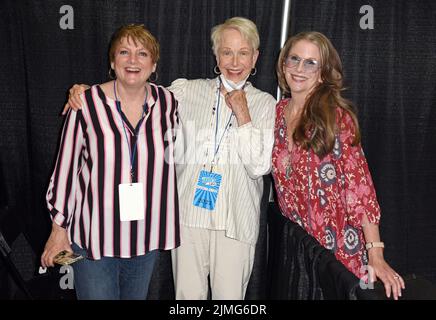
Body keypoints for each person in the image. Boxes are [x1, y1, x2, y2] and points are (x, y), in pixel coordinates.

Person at [64, 17, 276, 300]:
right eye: (227, 51)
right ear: (216, 55)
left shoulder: (265, 104)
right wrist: (85, 93)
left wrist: (243, 114)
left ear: (255, 57)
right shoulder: (186, 92)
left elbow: (259, 166)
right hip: (188, 217)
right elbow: (134, 90)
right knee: (187, 299)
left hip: (235, 222)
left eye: (243, 52)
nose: (234, 61)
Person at [41, 24, 180, 300]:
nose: (132, 60)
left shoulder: (168, 103)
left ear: (153, 65)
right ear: (112, 60)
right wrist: (58, 229)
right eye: (124, 52)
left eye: (142, 54)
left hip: (144, 236)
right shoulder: (86, 103)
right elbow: (66, 169)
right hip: (94, 239)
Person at [271, 31, 405, 299]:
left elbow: (361, 191)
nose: (299, 68)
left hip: (338, 255)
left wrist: (375, 255)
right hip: (302, 252)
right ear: (283, 63)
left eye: (311, 62)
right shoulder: (277, 113)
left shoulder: (334, 118)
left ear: (323, 73)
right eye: (294, 59)